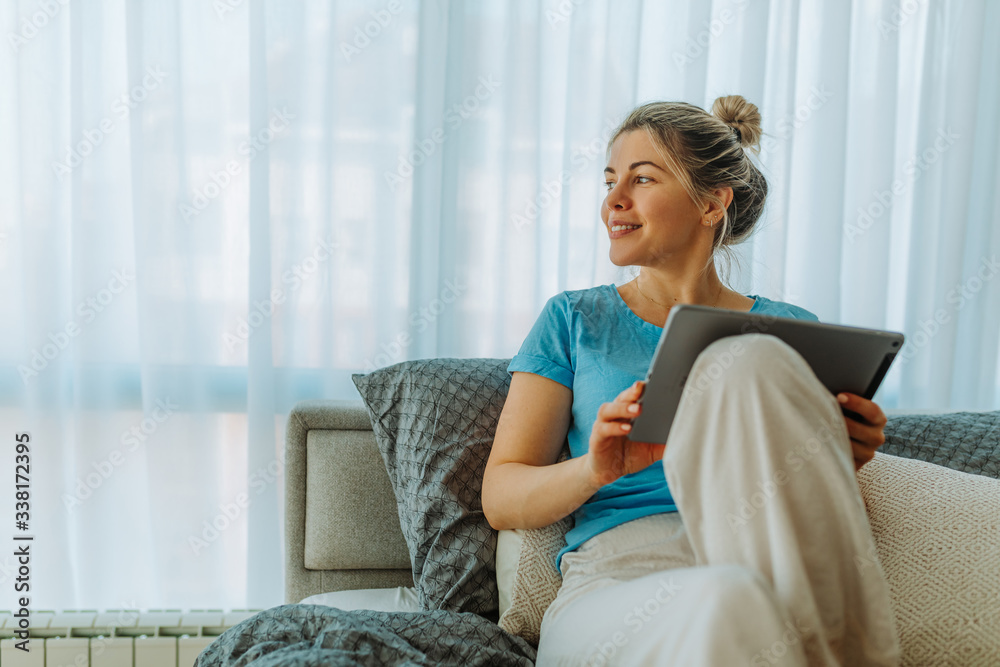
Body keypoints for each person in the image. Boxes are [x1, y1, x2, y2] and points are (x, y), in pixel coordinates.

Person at [481, 97, 900, 666]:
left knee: (751, 360)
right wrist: (597, 468)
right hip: (619, 581)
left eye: (642, 178)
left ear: (711, 203)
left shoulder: (793, 333)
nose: (613, 201)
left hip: (770, 567)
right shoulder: (575, 320)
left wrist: (838, 452)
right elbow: (501, 496)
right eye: (609, 181)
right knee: (729, 599)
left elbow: (810, 513)